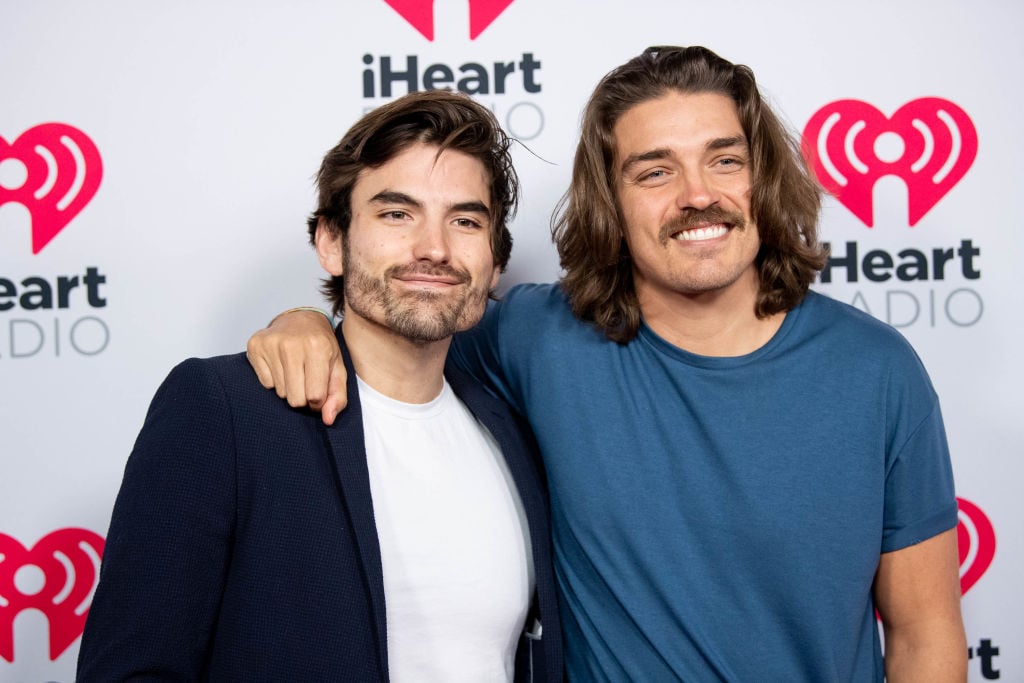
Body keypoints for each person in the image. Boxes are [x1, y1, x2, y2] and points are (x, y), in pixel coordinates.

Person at [246, 46, 967, 681]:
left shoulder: (877, 372)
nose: (697, 195)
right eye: (655, 172)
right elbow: (407, 322)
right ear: (611, 204)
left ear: (763, 178)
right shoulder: (539, 336)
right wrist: (307, 319)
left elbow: (925, 633)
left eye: (725, 160)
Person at [76, 90, 563, 682]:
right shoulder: (225, 410)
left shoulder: (511, 429)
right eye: (396, 214)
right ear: (331, 241)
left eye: (464, 221)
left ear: (495, 258)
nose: (434, 248)